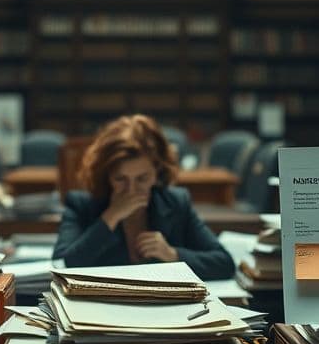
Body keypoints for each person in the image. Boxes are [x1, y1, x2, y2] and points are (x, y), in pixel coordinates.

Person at [53, 114, 234, 280]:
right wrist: (109, 218)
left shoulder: (176, 202)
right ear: (106, 175)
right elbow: (62, 265)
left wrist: (172, 254)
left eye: (142, 179)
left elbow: (224, 263)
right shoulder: (81, 204)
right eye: (120, 179)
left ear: (157, 171)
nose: (131, 190)